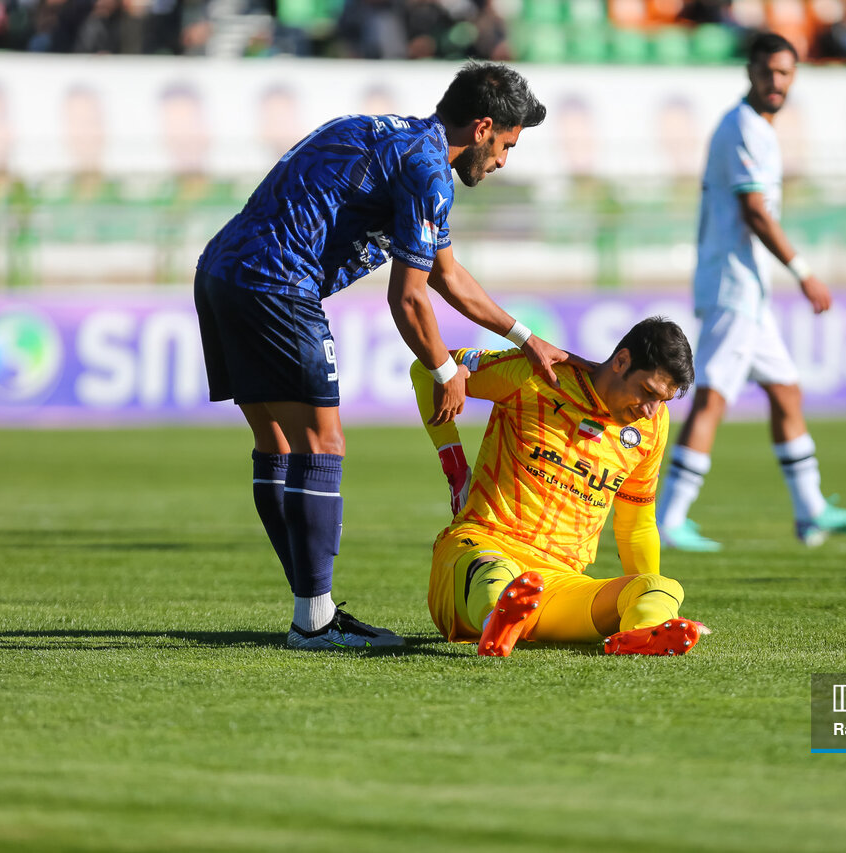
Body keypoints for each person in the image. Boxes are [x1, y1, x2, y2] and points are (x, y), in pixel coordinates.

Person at [194, 61, 568, 651]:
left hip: (221, 271)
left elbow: (445, 275)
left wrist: (524, 337)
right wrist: (446, 369)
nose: (501, 162)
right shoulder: (428, 171)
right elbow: (409, 296)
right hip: (277, 284)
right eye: (505, 146)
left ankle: (312, 610)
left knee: (279, 443)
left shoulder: (388, 134)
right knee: (323, 444)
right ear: (482, 126)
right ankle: (314, 622)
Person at [655, 32, 846, 552]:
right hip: (733, 285)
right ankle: (669, 519)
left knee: (785, 391)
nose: (776, 82)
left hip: (748, 289)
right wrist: (803, 271)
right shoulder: (743, 128)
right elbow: (755, 211)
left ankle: (810, 510)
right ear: (750, 71)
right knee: (710, 398)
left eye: (785, 73)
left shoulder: (757, 128)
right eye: (767, 72)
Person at [409, 317, 707, 657]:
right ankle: (497, 620)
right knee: (495, 571)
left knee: (660, 588)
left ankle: (643, 634)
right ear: (621, 361)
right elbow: (425, 368)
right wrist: (454, 465)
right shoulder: (537, 375)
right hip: (479, 547)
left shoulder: (651, 427)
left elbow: (636, 524)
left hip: (556, 584)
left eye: (662, 401)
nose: (649, 410)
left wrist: (655, 606)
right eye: (648, 392)